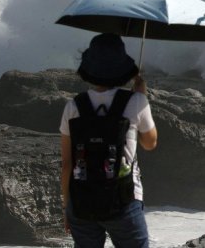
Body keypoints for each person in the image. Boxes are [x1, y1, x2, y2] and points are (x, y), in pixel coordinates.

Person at [59, 33, 158, 248]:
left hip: (82, 202)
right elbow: (150, 143)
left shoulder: (73, 106)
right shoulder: (136, 101)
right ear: (123, 69)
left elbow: (67, 163)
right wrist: (141, 96)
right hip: (123, 201)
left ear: (87, 69)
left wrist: (67, 206)